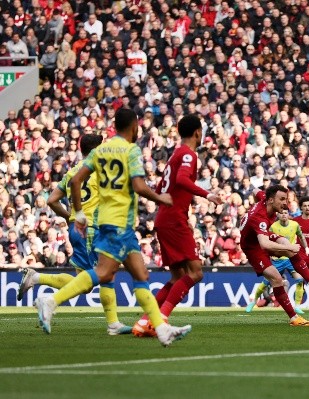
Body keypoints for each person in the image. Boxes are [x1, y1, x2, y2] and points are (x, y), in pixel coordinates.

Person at [33, 109, 191, 347]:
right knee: (103, 273)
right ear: (134, 126)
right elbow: (138, 185)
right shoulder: (131, 150)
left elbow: (76, 181)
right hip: (118, 223)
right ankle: (52, 301)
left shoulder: (100, 151)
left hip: (106, 220)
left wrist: (79, 214)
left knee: (141, 274)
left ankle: (161, 329)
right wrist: (161, 199)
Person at [18, 134, 132, 336]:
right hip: (92, 229)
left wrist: (71, 216)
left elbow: (52, 200)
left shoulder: (72, 173)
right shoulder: (101, 170)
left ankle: (36, 277)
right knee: (106, 274)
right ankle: (112, 322)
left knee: (83, 281)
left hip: (76, 230)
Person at [132, 114, 222, 337]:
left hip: (165, 218)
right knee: (196, 273)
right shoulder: (189, 155)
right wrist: (207, 194)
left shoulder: (174, 155)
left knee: (177, 277)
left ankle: (145, 322)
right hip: (173, 220)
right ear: (198, 133)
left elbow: (163, 187)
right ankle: (160, 321)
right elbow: (182, 180)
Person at [239, 184, 309, 326]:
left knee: (285, 243)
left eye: (286, 199)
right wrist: (290, 247)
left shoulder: (264, 198)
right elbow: (264, 245)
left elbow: (254, 190)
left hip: (260, 235)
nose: (285, 203)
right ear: (271, 200)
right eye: (282, 199)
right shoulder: (259, 217)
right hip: (252, 247)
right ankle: (294, 318)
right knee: (277, 278)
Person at [245, 209, 309, 314]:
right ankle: (253, 302)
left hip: (290, 259)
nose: (283, 215)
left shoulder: (295, 225)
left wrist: (306, 248)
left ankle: (297, 306)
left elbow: (301, 236)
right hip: (277, 259)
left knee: (300, 280)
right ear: (278, 215)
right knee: (265, 282)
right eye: (281, 213)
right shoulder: (273, 226)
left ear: (288, 214)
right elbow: (266, 240)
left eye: (285, 213)